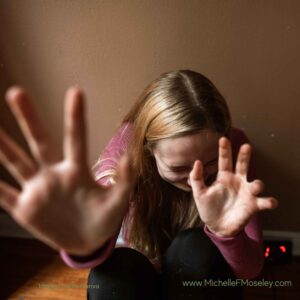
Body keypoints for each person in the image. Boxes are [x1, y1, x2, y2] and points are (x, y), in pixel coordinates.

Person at [0, 70, 277, 299]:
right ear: (148, 151)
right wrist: (90, 244)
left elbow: (250, 270)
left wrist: (226, 234)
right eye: (179, 167)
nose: (196, 176)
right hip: (139, 271)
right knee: (111, 276)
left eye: (210, 162)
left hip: (199, 281)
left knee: (193, 247)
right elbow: (100, 259)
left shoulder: (234, 151)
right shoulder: (125, 154)